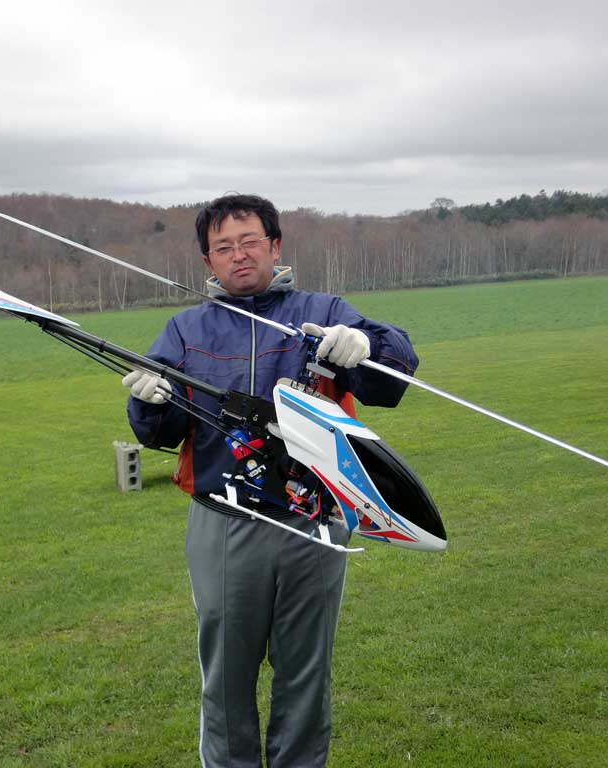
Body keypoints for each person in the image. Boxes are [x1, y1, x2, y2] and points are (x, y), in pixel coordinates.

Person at [124, 194, 418, 768]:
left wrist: (367, 347)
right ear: (208, 261)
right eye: (223, 247)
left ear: (275, 246)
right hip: (223, 521)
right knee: (226, 676)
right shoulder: (185, 330)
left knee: (305, 672)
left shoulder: (322, 310)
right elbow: (159, 432)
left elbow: (392, 380)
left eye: (250, 242)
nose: (238, 255)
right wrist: (148, 403)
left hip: (314, 520)